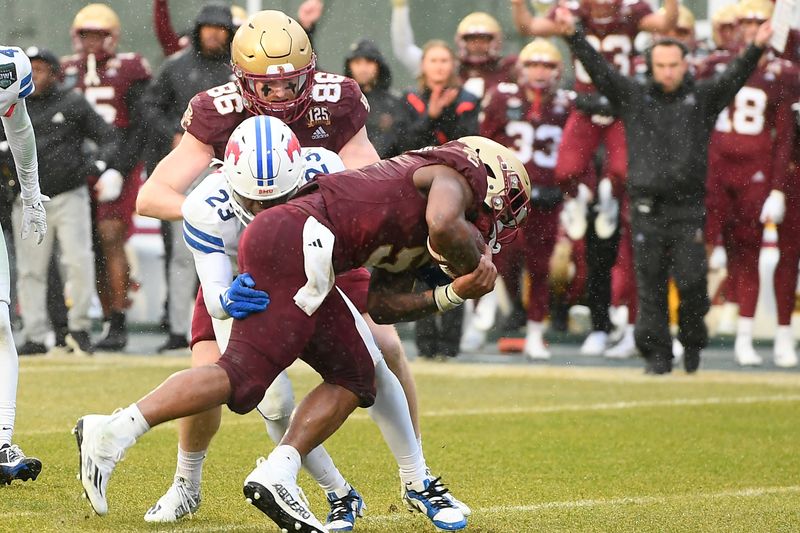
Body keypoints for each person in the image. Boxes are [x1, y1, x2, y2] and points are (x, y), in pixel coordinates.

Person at [75, 134, 529, 532]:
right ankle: (116, 433)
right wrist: (473, 265)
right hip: (288, 248)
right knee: (243, 376)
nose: (493, 228)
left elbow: (384, 306)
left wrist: (451, 293)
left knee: (356, 374)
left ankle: (289, 469)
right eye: (500, 214)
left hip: (307, 254)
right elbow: (446, 223)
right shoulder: (450, 174)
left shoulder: (410, 220)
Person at [135, 9, 449, 526]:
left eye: (291, 83)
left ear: (310, 72)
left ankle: (417, 472)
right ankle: (186, 483)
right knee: (209, 371)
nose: (281, 96)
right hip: (245, 260)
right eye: (268, 86)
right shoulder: (215, 109)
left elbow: (368, 177)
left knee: (386, 347)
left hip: (321, 245)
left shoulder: (336, 99)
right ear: (241, 81)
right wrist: (235, 212)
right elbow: (153, 196)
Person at [552, 6, 774, 374]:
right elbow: (600, 71)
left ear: (686, 64)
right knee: (649, 286)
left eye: (674, 64)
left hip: (687, 208)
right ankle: (656, 356)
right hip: (644, 207)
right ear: (651, 66)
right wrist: (573, 35)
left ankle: (691, 343)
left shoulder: (702, 98)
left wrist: (755, 49)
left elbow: (735, 76)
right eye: (662, 65)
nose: (668, 72)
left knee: (691, 283)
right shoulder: (633, 96)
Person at [511, 0, 678, 357]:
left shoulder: (633, 15)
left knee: (621, 174)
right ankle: (583, 196)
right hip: (588, 107)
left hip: (619, 107)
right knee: (566, 172)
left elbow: (667, 20)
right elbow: (528, 27)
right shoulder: (573, 16)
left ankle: (605, 195)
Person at [700, 0, 799, 368]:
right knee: (698, 250)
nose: (750, 27)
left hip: (756, 172)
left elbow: (786, 135)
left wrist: (776, 186)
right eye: (745, 21)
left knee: (750, 254)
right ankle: (687, 329)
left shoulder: (783, 73)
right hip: (716, 171)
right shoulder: (715, 66)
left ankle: (745, 334)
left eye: (759, 20)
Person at [7, 47, 120, 357]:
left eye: (42, 69)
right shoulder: (12, 102)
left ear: (55, 73)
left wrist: (96, 167)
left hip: (70, 194)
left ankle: (79, 329)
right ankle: (33, 333)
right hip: (28, 198)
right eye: (33, 68)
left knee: (78, 262)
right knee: (31, 269)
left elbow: (110, 137)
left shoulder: (71, 102)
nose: (37, 74)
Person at [144, 2, 237, 354]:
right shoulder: (177, 67)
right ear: (197, 30)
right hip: (191, 170)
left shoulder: (239, 68)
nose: (213, 33)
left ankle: (233, 328)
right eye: (207, 27)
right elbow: (149, 105)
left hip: (235, 170)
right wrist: (173, 132)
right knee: (185, 251)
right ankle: (179, 328)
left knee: (235, 251)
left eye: (220, 28)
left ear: (230, 33)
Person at [62, 3, 152, 351]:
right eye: (86, 35)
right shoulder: (65, 70)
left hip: (118, 164)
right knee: (91, 246)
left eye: (98, 34)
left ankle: (118, 321)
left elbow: (141, 125)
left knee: (110, 236)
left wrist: (118, 167)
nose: (92, 42)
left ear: (112, 36)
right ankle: (101, 319)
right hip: (78, 167)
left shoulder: (128, 68)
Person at [479, 38, 570, 360]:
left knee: (541, 268)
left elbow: (575, 151)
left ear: (558, 70)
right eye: (534, 64)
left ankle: (534, 329)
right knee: (499, 257)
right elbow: (485, 142)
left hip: (546, 197)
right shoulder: (502, 97)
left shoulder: (567, 103)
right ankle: (489, 310)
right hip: (507, 195)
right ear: (521, 67)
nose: (539, 71)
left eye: (546, 65)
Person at [398, 39, 479, 359]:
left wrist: (440, 116)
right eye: (433, 60)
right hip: (418, 191)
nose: (439, 66)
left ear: (453, 65)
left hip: (456, 191)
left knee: (456, 262)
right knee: (422, 266)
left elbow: (467, 144)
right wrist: (429, 116)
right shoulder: (409, 100)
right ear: (423, 66)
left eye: (445, 60)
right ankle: (427, 343)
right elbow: (403, 146)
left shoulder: (467, 100)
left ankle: (450, 345)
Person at [0, 44, 47, 484]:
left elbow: (21, 132)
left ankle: (1, 439)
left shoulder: (8, 70)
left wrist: (31, 194)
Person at [391, 2, 516, 99]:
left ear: (495, 41)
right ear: (462, 41)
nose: (477, 44)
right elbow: (404, 50)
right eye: (471, 39)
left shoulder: (508, 67)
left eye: (484, 39)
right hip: (457, 130)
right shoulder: (450, 65)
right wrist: (400, 9)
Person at [344, 39, 406, 159]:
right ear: (349, 65)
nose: (363, 68)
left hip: (385, 169)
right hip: (347, 168)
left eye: (369, 62)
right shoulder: (341, 100)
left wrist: (369, 155)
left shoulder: (394, 102)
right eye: (357, 62)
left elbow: (404, 142)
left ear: (379, 65)